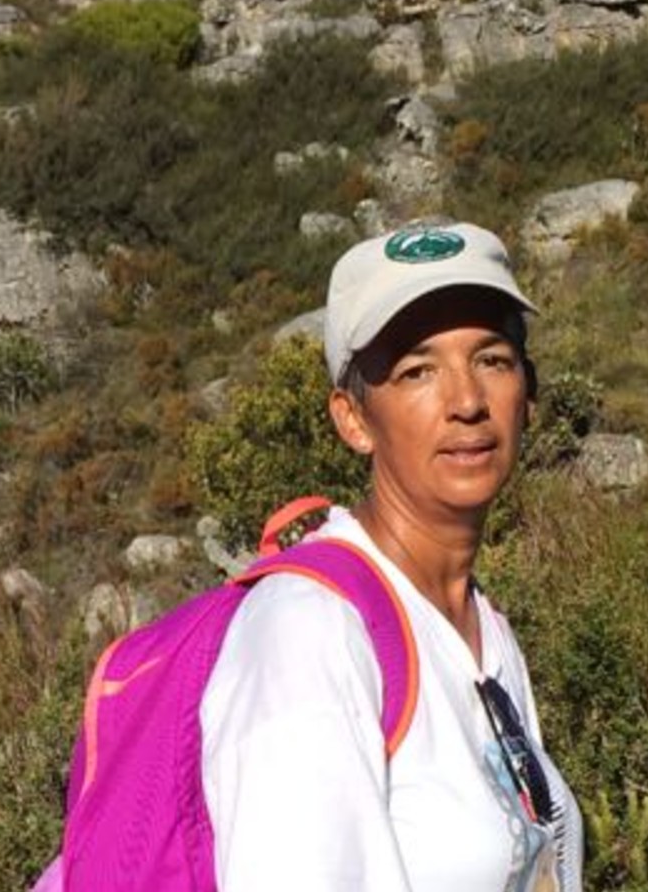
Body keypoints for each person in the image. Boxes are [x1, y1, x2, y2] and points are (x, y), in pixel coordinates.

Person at [199, 220, 582, 891]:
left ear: (528, 392)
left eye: (492, 360)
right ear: (353, 419)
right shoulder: (310, 629)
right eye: (417, 371)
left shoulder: (485, 629)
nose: (467, 402)